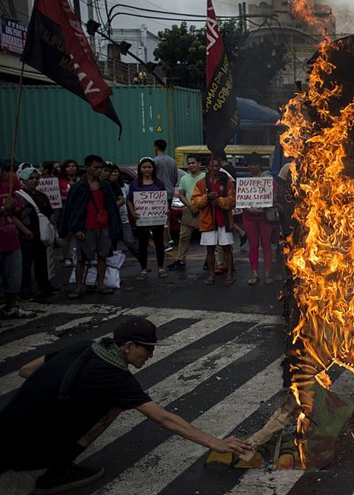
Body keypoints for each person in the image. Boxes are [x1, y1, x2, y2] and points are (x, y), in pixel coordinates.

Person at [0, 317, 252, 494]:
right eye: (147, 349)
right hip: (24, 453)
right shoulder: (116, 378)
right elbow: (163, 419)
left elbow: (26, 370)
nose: (151, 355)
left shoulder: (86, 347)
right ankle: (56, 474)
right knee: (114, 406)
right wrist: (215, 442)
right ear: (128, 346)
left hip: (6, 429)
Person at [60, 155, 121, 298]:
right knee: (81, 259)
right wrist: (76, 229)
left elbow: (111, 207)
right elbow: (73, 209)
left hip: (103, 226)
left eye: (100, 168)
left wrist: (114, 228)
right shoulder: (79, 186)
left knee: (102, 256)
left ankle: (100, 285)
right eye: (95, 167)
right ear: (87, 167)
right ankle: (79, 287)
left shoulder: (105, 185)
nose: (98, 170)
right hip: (86, 227)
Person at [15, 168, 60, 298]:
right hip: (26, 234)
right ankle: (25, 291)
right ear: (24, 180)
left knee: (42, 262)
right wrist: (25, 230)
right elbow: (16, 216)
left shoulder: (42, 196)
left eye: (36, 178)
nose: (34, 181)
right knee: (26, 264)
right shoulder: (18, 196)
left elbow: (49, 212)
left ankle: (44, 286)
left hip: (41, 234)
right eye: (31, 178)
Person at [192, 157, 236, 285]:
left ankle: (229, 274)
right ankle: (211, 274)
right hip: (208, 220)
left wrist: (220, 201)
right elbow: (194, 201)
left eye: (216, 166)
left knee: (227, 248)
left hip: (224, 220)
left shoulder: (227, 181)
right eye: (211, 166)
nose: (214, 169)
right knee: (210, 249)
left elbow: (232, 200)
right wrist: (207, 198)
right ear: (207, 168)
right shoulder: (201, 183)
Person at [1, 164, 36, 319]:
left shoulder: (5, 188)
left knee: (14, 276)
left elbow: (17, 210)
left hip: (11, 240)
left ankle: (11, 307)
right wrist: (3, 210)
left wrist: (13, 207)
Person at [126, 158, 169, 281]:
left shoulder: (159, 183)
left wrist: (165, 209)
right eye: (144, 167)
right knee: (143, 244)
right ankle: (143, 268)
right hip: (142, 219)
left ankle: (160, 267)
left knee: (159, 243)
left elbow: (163, 198)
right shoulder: (135, 184)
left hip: (157, 219)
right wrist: (133, 212)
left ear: (153, 169)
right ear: (140, 169)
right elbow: (129, 200)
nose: (147, 169)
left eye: (149, 167)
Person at [168, 154, 206, 270]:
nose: (191, 165)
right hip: (189, 209)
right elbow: (181, 194)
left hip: (204, 210)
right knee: (184, 236)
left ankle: (209, 260)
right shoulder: (184, 178)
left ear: (199, 164)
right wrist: (190, 206)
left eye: (193, 163)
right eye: (189, 163)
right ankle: (180, 260)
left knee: (207, 237)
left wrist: (199, 206)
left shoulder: (205, 177)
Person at [243, 154, 276, 285]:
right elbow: (241, 200)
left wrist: (263, 206)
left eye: (255, 164)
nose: (252, 167)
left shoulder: (269, 180)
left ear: (260, 165)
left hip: (264, 217)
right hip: (249, 217)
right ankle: (255, 274)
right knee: (253, 246)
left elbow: (273, 197)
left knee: (266, 245)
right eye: (250, 164)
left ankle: (267, 274)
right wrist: (250, 209)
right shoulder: (245, 182)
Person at [152, 139, 179, 250]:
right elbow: (175, 177)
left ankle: (164, 243)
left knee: (160, 219)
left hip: (158, 193)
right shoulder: (172, 161)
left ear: (156, 147)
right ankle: (167, 239)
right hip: (170, 191)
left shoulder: (154, 161)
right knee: (166, 217)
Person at [59, 159, 79, 268]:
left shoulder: (81, 180)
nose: (71, 168)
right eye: (68, 166)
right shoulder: (60, 181)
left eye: (73, 166)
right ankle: (66, 257)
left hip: (78, 211)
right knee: (67, 235)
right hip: (65, 210)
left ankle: (78, 256)